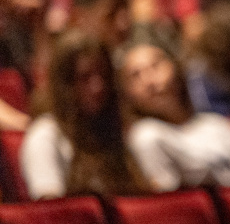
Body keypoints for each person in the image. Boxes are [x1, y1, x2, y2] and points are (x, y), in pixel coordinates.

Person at [118, 38, 230, 192]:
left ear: (175, 67)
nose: (150, 81)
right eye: (135, 75)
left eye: (155, 65)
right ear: (126, 93)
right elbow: (172, 204)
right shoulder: (147, 136)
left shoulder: (215, 123)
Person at [20, 30, 149, 199]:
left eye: (103, 75)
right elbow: (51, 209)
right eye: (84, 78)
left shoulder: (117, 131)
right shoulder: (45, 137)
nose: (98, 87)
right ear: (64, 84)